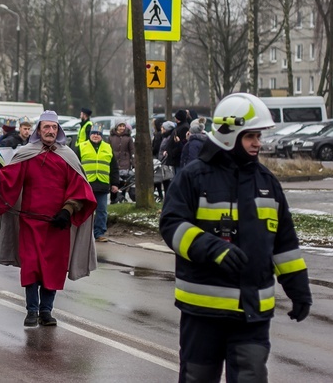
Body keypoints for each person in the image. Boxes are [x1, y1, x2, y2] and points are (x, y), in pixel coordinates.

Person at [160, 93, 311, 382]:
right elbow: (171, 225)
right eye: (250, 136)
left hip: (251, 312)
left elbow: (285, 244)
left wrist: (299, 290)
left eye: (258, 136)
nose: (258, 143)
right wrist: (213, 248)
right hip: (203, 313)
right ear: (228, 134)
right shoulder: (193, 177)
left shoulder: (267, 183)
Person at [0, 110, 96, 327]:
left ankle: (46, 311)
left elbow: (79, 189)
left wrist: (67, 210)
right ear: (38, 130)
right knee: (32, 266)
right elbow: (9, 179)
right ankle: (31, 310)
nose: (50, 131)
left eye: (54, 128)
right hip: (30, 222)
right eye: (46, 127)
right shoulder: (26, 153)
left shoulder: (68, 156)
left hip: (58, 225)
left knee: (53, 268)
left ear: (59, 131)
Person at [79, 123, 118, 242]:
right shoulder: (81, 146)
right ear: (90, 135)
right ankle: (83, 233)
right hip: (86, 184)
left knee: (102, 210)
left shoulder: (107, 147)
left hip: (102, 184)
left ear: (102, 136)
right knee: (85, 210)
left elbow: (114, 167)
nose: (96, 136)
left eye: (98, 134)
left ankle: (99, 233)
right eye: (94, 133)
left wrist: (115, 183)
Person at [109, 121, 135, 204]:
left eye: (123, 126)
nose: (122, 128)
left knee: (123, 183)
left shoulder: (128, 138)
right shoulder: (111, 137)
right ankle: (113, 200)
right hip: (114, 163)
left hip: (125, 164)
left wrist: (133, 163)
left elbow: (132, 151)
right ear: (116, 127)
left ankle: (121, 200)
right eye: (120, 126)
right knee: (115, 182)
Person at [168, 109, 190, 176]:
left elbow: (183, 143)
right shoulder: (179, 126)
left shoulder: (184, 127)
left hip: (178, 157)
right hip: (175, 156)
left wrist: (173, 152)